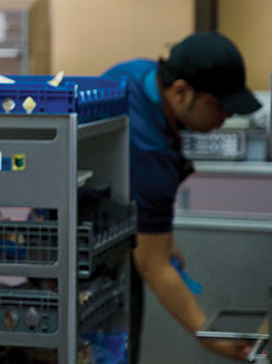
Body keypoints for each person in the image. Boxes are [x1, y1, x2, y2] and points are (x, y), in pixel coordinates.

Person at [103, 32, 260, 363]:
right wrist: (210, 337)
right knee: (109, 348)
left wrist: (160, 233)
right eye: (221, 105)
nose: (227, 116)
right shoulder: (148, 151)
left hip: (102, 225)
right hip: (96, 256)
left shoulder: (138, 73)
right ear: (181, 92)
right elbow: (153, 263)